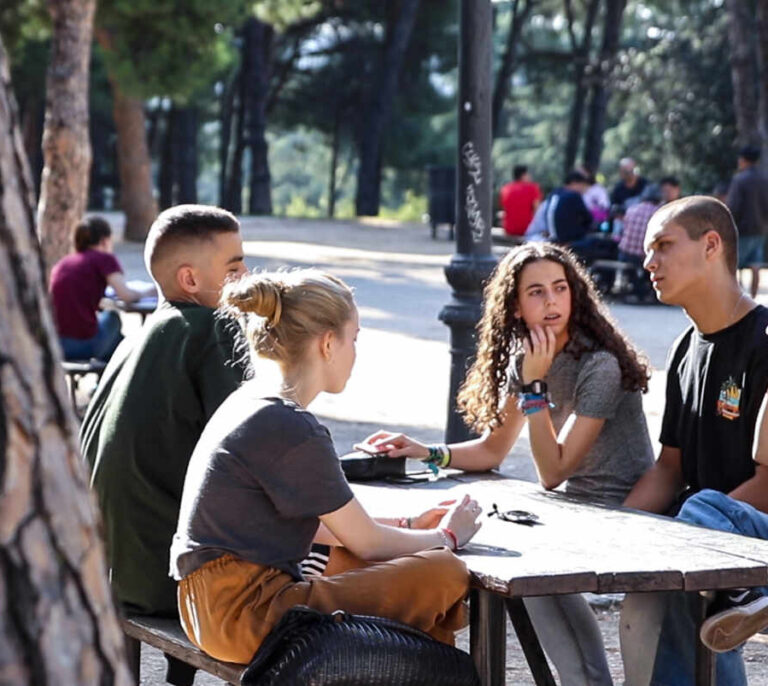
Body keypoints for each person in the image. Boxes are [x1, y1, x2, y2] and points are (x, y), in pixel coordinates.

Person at [358, 242, 655, 686]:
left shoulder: (601, 365)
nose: (552, 301)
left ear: (575, 294)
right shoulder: (528, 359)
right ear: (515, 306)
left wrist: (535, 387)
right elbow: (493, 451)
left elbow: (552, 473)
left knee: (524, 561)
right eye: (536, 292)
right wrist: (425, 451)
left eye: (560, 288)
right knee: (492, 541)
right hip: (578, 510)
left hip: (626, 512)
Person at [170, 268, 482, 664]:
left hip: (209, 609)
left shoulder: (251, 401)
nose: (355, 352)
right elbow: (366, 540)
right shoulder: (289, 425)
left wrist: (409, 525)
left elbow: (327, 526)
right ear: (329, 343)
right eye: (355, 339)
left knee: (393, 563)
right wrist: (448, 536)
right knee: (443, 571)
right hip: (247, 615)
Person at [80, 205, 251, 683]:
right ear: (191, 280)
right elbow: (249, 446)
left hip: (103, 568)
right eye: (234, 267)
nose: (247, 276)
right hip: (161, 581)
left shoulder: (134, 339)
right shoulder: (216, 329)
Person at [619, 196, 768, 686]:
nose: (648, 263)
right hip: (702, 533)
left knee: (693, 533)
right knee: (653, 603)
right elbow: (668, 470)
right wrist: (613, 534)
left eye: (663, 245)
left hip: (740, 532)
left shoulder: (764, 340)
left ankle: (739, 591)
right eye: (647, 250)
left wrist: (686, 542)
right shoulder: (685, 348)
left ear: (711, 245)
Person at [49, 216, 148, 362]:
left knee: (116, 341)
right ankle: (119, 373)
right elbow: (126, 295)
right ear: (104, 240)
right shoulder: (104, 259)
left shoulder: (65, 263)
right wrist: (149, 291)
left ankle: (108, 374)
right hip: (85, 345)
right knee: (113, 318)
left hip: (58, 345)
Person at [727, 144, 768, 298]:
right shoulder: (765, 179)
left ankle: (736, 298)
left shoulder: (740, 180)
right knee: (755, 265)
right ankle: (754, 297)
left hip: (742, 229)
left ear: (743, 160)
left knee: (733, 264)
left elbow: (734, 205)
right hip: (760, 229)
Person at [526, 171, 593, 244]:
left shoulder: (554, 194)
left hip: (549, 237)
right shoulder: (574, 195)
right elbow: (588, 219)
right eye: (583, 186)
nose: (584, 189)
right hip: (567, 239)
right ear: (574, 183)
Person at [499, 165, 542, 237]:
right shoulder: (533, 188)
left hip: (509, 229)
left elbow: (504, 208)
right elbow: (537, 211)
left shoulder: (506, 189)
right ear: (523, 175)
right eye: (528, 174)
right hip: (527, 229)